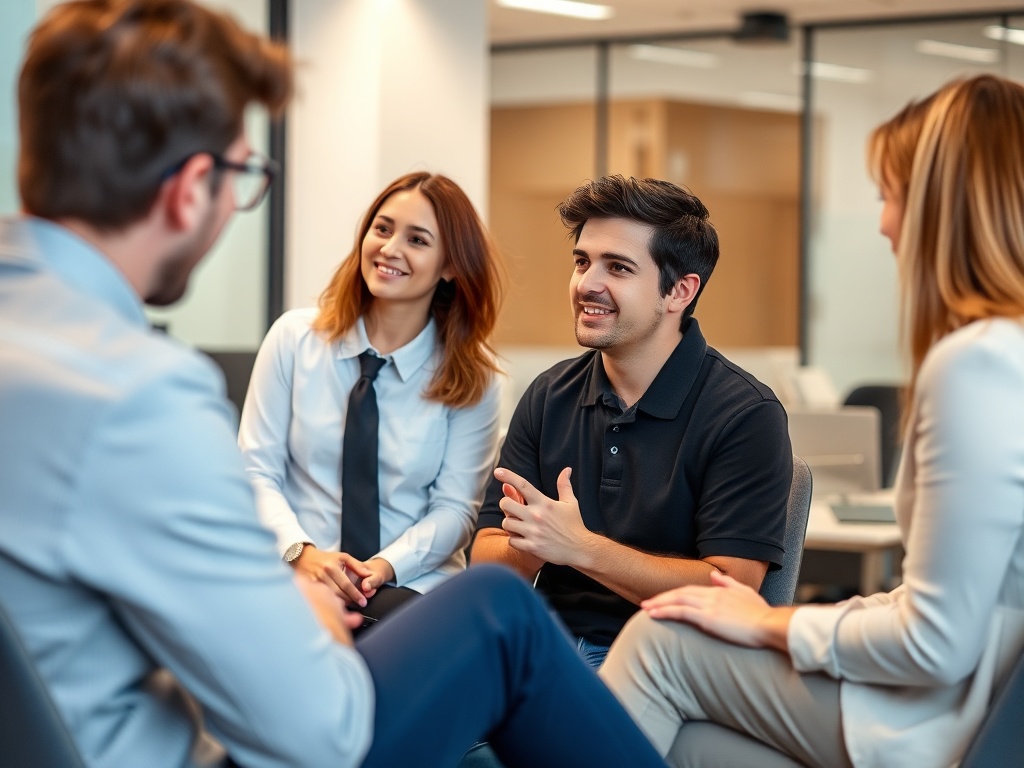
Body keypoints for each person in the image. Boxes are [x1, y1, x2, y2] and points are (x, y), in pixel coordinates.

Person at [0, 2, 670, 767]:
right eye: (242, 177)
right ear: (192, 188)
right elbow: (316, 732)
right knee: (499, 612)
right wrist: (307, 614)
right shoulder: (137, 393)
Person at [599, 74, 1024, 768]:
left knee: (660, 643)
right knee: (690, 746)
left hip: (953, 721)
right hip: (975, 709)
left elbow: (933, 641)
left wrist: (775, 623)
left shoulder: (977, 365)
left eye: (891, 196)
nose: (884, 223)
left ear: (944, 210)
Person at [471, 175, 793, 666]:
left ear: (680, 292)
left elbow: (730, 587)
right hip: (540, 642)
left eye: (617, 267)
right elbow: (487, 557)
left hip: (662, 658)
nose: (587, 284)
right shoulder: (548, 395)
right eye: (582, 262)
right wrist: (536, 545)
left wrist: (580, 548)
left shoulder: (746, 413)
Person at [238, 172, 502, 623]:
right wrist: (302, 554)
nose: (390, 248)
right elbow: (255, 471)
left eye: (417, 240)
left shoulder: (474, 377)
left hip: (408, 584)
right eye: (382, 229)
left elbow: (456, 509)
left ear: (451, 266)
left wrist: (382, 568)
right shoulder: (294, 339)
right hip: (296, 571)